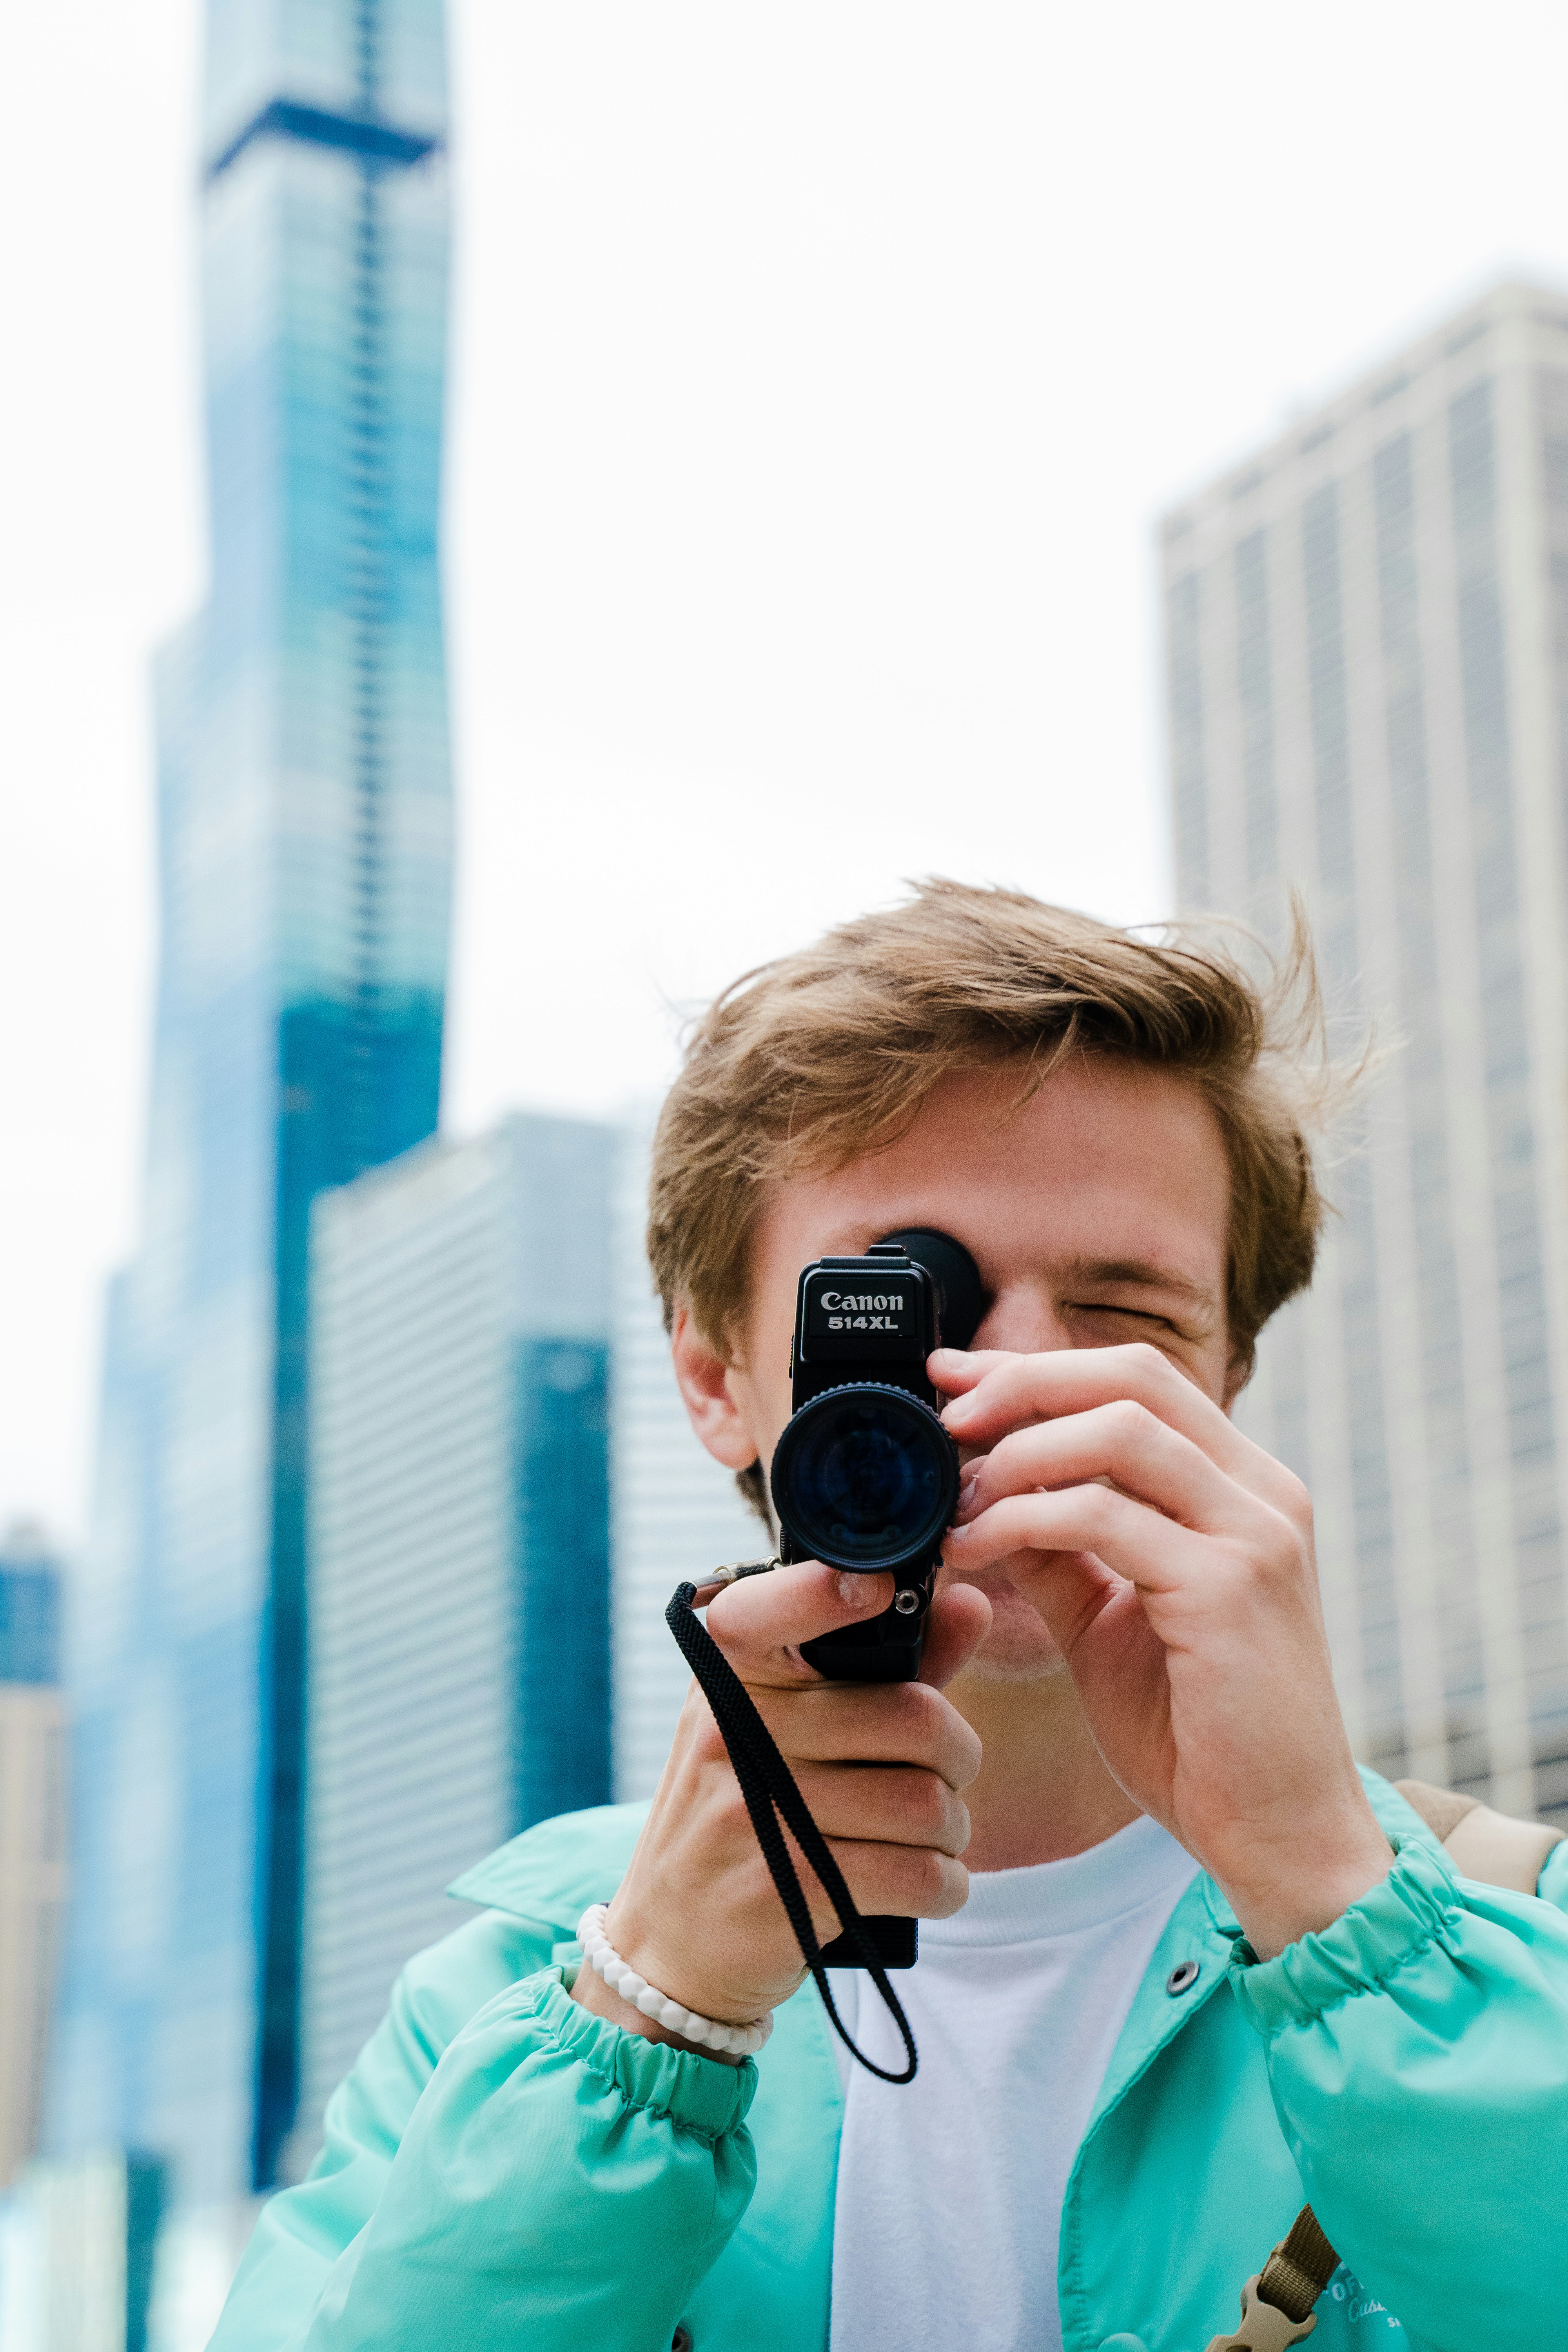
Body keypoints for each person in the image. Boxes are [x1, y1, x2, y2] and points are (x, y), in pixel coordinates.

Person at [210, 882, 1568, 2352]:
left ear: (1227, 1381)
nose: (1019, 1383)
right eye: (907, 1302)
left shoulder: (1516, 1938)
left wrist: (1336, 1901)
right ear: (719, 1380)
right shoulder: (499, 2008)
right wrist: (648, 2029)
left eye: (1128, 1316)